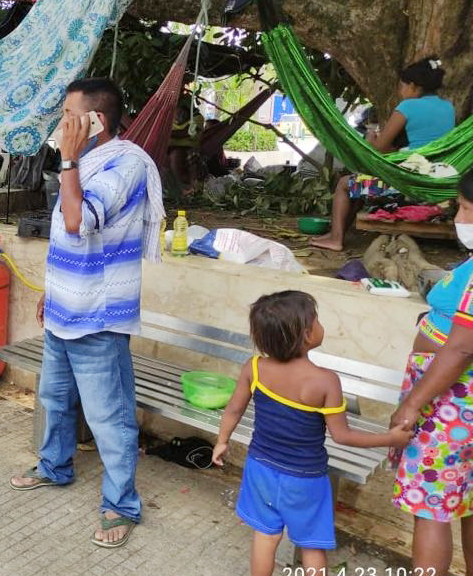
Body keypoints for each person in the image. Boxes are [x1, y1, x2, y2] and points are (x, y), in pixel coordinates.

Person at [8, 77, 165, 549]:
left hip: (98, 318)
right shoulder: (84, 164)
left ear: (95, 121)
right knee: (54, 401)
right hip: (65, 309)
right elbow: (65, 235)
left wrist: (70, 159)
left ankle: (122, 504)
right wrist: (51, 291)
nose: (61, 125)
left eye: (68, 116)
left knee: (109, 418)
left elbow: (78, 221)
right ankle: (54, 468)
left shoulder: (127, 165)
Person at [212, 290, 412, 576]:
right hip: (305, 478)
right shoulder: (325, 381)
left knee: (265, 536)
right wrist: (390, 439)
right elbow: (342, 436)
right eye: (316, 319)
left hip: (260, 469)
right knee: (311, 546)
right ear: (307, 334)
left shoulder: (254, 368)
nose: (320, 324)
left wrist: (222, 441)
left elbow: (233, 410)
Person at [389, 171, 473, 574]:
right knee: (468, 501)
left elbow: (460, 347)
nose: (460, 216)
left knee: (430, 505)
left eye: (467, 208)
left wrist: (411, 406)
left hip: (451, 403)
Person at [311, 57, 455, 251]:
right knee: (359, 185)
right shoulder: (448, 107)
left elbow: (377, 150)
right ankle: (337, 232)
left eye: (402, 86)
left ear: (413, 86)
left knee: (344, 184)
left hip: (407, 186)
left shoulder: (407, 107)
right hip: (436, 180)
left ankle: (336, 239)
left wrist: (370, 136)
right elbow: (420, 146)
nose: (401, 91)